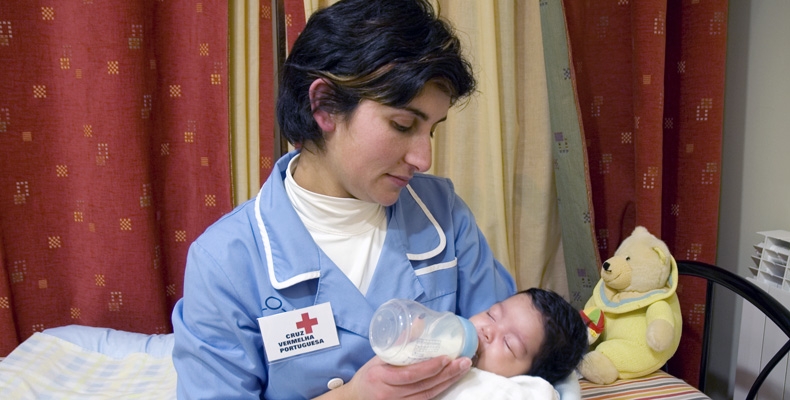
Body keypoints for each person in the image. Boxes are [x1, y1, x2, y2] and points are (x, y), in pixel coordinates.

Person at [170, 0, 516, 399]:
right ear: (325, 105)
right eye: (403, 124)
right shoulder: (225, 263)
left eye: (432, 131)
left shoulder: (444, 215)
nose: (423, 159)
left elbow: (515, 359)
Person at [435, 288, 588, 400]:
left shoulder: (508, 392)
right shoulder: (443, 342)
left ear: (528, 377)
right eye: (491, 314)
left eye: (509, 344)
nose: (488, 330)